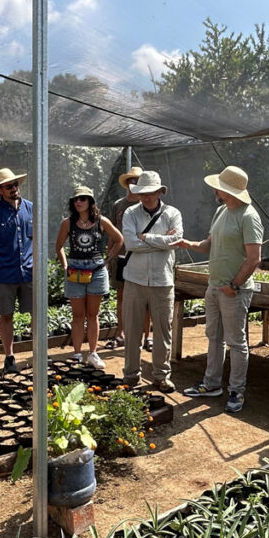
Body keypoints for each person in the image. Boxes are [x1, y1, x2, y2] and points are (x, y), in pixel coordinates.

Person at [175, 165, 263, 413]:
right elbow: (209, 245)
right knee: (214, 337)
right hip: (214, 287)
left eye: (219, 187)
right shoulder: (220, 211)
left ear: (228, 190)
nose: (215, 190)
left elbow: (254, 258)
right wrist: (188, 244)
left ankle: (237, 390)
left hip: (234, 291)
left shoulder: (249, 216)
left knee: (236, 342)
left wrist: (234, 285)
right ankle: (212, 383)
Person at [120, 171, 183, 392]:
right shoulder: (130, 213)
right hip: (134, 280)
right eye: (142, 193)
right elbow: (130, 243)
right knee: (132, 330)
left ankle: (161, 376)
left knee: (163, 332)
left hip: (162, 281)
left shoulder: (172, 213)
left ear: (159, 192)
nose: (145, 197)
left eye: (150, 193)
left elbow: (176, 241)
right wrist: (161, 241)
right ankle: (131, 374)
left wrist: (146, 237)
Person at [55, 186, 123, 368]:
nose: (79, 202)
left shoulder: (101, 221)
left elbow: (119, 239)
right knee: (78, 315)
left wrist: (107, 260)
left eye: (83, 199)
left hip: (96, 270)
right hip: (75, 271)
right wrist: (65, 265)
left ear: (90, 202)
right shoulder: (67, 223)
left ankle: (93, 353)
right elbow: (59, 246)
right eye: (76, 199)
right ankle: (77, 354)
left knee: (93, 315)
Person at [0, 168, 32, 374]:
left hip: (29, 272)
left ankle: (38, 351)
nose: (14, 188)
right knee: (6, 316)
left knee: (36, 314)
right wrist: (1, 262)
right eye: (9, 186)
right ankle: (9, 357)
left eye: (16, 184)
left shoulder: (31, 208)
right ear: (0, 190)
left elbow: (34, 240)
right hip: (4, 275)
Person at [106, 165, 151, 351]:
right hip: (121, 258)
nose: (134, 184)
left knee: (146, 298)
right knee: (122, 298)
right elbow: (112, 234)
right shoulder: (119, 205)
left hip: (141, 257)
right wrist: (109, 257)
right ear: (126, 184)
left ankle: (147, 336)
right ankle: (120, 334)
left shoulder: (146, 205)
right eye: (131, 181)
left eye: (138, 181)